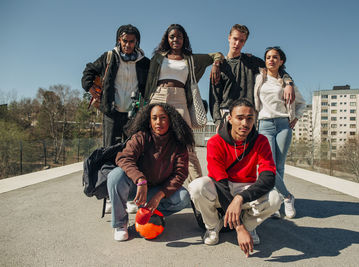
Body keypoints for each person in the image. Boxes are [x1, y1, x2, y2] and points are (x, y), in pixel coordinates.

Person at [189, 98, 282, 257]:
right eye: (240, 117)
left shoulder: (261, 141)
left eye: (249, 118)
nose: (245, 123)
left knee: (275, 199)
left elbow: (268, 177)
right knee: (197, 187)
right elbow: (220, 182)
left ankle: (249, 225)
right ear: (229, 118)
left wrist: (240, 199)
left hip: (246, 188)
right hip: (221, 187)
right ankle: (213, 226)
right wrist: (238, 228)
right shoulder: (215, 142)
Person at [144, 24, 224, 185]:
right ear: (167, 39)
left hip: (180, 98)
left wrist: (216, 65)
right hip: (158, 95)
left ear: (184, 39)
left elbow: (218, 54)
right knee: (151, 143)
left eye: (179, 37)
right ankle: (148, 188)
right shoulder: (158, 57)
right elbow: (148, 81)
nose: (175, 39)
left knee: (187, 145)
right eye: (172, 36)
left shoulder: (191, 59)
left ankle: (200, 190)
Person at [107, 103, 193, 241]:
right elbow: (124, 158)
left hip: (158, 190)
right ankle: (120, 224)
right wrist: (140, 179)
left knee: (183, 197)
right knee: (115, 176)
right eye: (154, 118)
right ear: (149, 121)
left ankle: (150, 214)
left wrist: (159, 195)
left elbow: (180, 174)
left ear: (171, 120)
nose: (158, 122)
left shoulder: (178, 144)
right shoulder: (141, 137)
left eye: (163, 118)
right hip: (136, 189)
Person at [209, 24, 295, 129]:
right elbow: (214, 97)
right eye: (235, 39)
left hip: (249, 115)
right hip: (227, 114)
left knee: (249, 146)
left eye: (241, 41)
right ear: (229, 38)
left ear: (245, 42)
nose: (237, 43)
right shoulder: (220, 66)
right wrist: (218, 121)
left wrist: (288, 83)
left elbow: (275, 68)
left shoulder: (251, 61)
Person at [254, 46, 306, 219]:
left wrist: (295, 118)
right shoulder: (259, 79)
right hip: (264, 125)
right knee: (268, 166)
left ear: (281, 61)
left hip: (284, 124)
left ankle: (275, 203)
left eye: (275, 57)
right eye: (268, 57)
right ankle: (288, 197)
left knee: (280, 166)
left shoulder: (286, 82)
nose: (271, 60)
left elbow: (301, 103)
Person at [82, 24, 150, 147]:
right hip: (112, 113)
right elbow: (89, 70)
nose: (127, 45)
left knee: (133, 151)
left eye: (131, 41)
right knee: (109, 151)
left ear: (136, 42)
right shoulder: (109, 57)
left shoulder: (145, 63)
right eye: (124, 41)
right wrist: (89, 87)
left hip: (134, 115)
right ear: (119, 40)